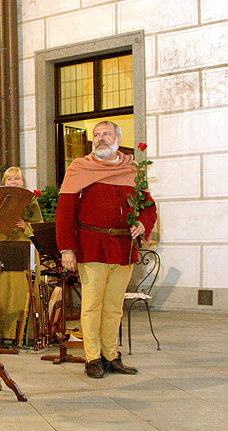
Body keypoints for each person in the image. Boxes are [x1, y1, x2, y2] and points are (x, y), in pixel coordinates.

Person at [55, 120, 157, 378]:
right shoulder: (80, 168)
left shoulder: (132, 169)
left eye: (106, 134)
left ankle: (110, 356)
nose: (100, 138)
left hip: (123, 247)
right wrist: (67, 249)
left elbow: (148, 208)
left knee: (114, 306)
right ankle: (92, 358)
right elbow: (64, 213)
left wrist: (143, 225)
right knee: (91, 305)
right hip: (91, 246)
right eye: (97, 135)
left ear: (117, 139)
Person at [0, 167, 43, 344]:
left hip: (24, 247)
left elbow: (39, 226)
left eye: (17, 179)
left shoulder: (30, 200)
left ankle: (25, 334)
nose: (13, 182)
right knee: (2, 290)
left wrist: (26, 226)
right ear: (4, 182)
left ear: (23, 182)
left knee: (23, 290)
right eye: (9, 179)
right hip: (3, 247)